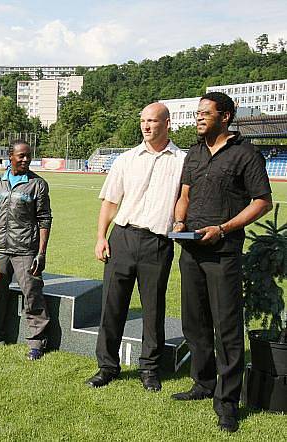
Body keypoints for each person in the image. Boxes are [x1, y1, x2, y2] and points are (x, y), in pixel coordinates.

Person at [172, 92, 272, 433]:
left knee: (226, 329)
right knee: (194, 322)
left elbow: (262, 202)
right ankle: (202, 383)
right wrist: (179, 222)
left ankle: (228, 403)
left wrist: (224, 229)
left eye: (205, 113)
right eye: (197, 113)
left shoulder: (246, 154)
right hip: (191, 251)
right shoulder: (195, 152)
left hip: (224, 253)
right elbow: (184, 194)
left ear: (225, 116)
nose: (198, 118)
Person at [85, 103, 186, 392]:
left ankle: (150, 369)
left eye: (152, 121)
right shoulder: (126, 159)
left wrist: (180, 222)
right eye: (143, 121)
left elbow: (185, 199)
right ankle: (107, 366)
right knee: (112, 306)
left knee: (153, 308)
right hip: (123, 238)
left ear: (167, 123)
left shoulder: (182, 161)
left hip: (158, 243)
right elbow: (110, 201)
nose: (146, 126)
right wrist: (101, 236)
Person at [0, 140, 52, 360]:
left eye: (28, 155)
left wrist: (41, 252)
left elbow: (44, 220)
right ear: (10, 156)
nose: (26, 159)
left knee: (32, 294)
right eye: (21, 156)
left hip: (26, 250)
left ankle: (37, 341)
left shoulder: (37, 184)